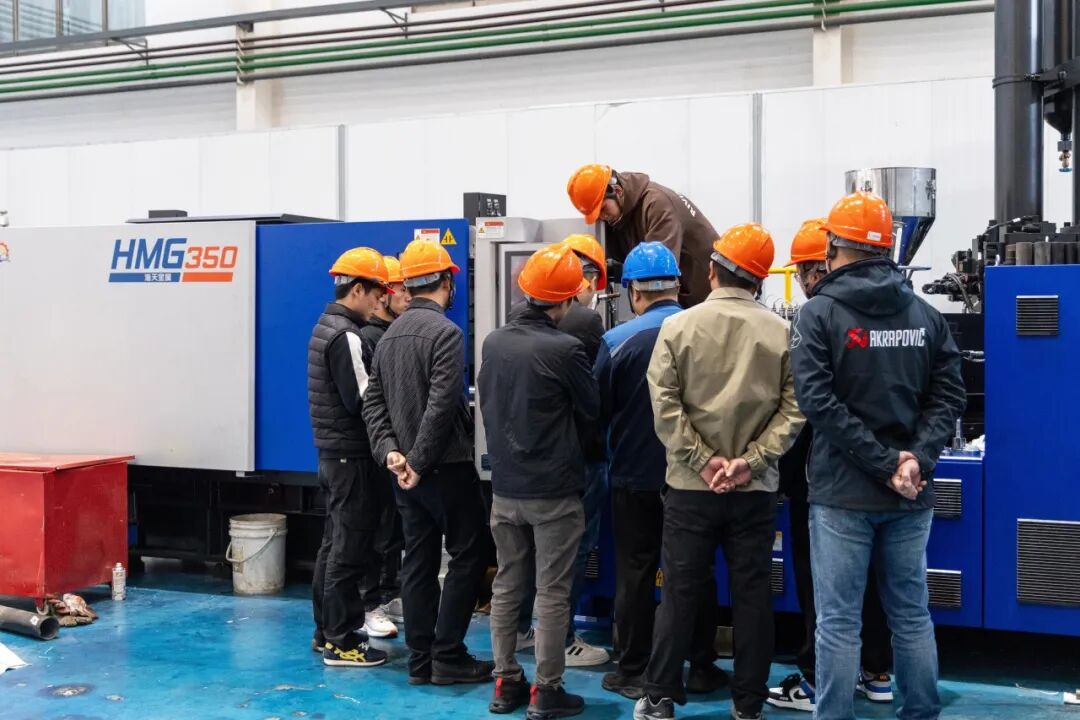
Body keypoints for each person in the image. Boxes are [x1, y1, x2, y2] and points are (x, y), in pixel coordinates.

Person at [790, 192, 965, 720]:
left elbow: (817, 403)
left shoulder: (818, 314)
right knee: (910, 615)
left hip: (843, 495)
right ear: (887, 247)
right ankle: (921, 712)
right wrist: (914, 460)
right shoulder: (925, 315)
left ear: (833, 248)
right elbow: (949, 397)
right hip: (911, 493)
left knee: (839, 622)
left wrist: (884, 462)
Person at [634, 224, 805, 720]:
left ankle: (659, 697)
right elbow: (795, 409)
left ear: (712, 271)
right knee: (753, 595)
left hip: (691, 489)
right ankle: (748, 703)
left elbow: (664, 404)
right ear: (760, 280)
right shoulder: (781, 332)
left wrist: (701, 459)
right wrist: (750, 461)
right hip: (754, 490)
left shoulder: (677, 328)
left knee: (679, 594)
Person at [768, 220, 893, 712]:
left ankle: (816, 679)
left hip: (824, 475)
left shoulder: (815, 317)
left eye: (803, 271)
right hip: (883, 469)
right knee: (876, 578)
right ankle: (877, 672)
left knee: (821, 583)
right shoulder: (888, 311)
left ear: (816, 269)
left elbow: (805, 404)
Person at [594, 241, 726, 702]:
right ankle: (702, 664)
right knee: (695, 571)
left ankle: (632, 669)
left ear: (633, 291)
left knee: (635, 571)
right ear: (677, 285)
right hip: (694, 477)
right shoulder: (704, 332)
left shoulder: (616, 342)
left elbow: (596, 411)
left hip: (633, 477)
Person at [362, 239, 493, 686]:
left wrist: (392, 454)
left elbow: (373, 405)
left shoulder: (388, 336)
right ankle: (448, 655)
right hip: (445, 467)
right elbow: (441, 406)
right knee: (468, 554)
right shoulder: (446, 334)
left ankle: (420, 660)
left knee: (417, 559)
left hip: (405, 475)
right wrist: (417, 461)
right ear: (446, 282)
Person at [479, 243, 599, 719]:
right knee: (551, 591)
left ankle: (506, 683)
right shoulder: (566, 349)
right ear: (566, 300)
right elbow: (592, 410)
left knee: (508, 585)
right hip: (554, 492)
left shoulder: (494, 342)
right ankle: (547, 691)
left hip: (505, 490)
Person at [516, 234, 610, 668]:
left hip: (525, 458)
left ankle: (522, 629)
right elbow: (594, 397)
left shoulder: (517, 323)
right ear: (585, 279)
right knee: (571, 551)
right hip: (578, 459)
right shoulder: (585, 323)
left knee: (527, 555)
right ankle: (564, 639)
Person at [309, 247, 394, 668]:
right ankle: (341, 641)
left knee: (333, 545)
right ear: (357, 289)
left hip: (333, 456)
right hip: (350, 458)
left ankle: (326, 630)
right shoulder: (346, 336)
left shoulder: (326, 326)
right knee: (348, 549)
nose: (380, 303)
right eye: (376, 294)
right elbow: (364, 401)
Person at [566, 164, 717, 307]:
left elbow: (657, 272)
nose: (602, 217)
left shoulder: (658, 204)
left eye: (603, 209)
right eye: (596, 214)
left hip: (704, 295)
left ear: (617, 191)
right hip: (681, 298)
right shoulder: (618, 214)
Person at [356, 255, 411, 637]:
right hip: (374, 450)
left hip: (392, 449)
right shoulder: (370, 338)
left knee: (392, 529)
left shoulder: (394, 332)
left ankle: (389, 593)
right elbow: (371, 401)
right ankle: (369, 604)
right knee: (374, 530)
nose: (407, 295)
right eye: (400, 289)